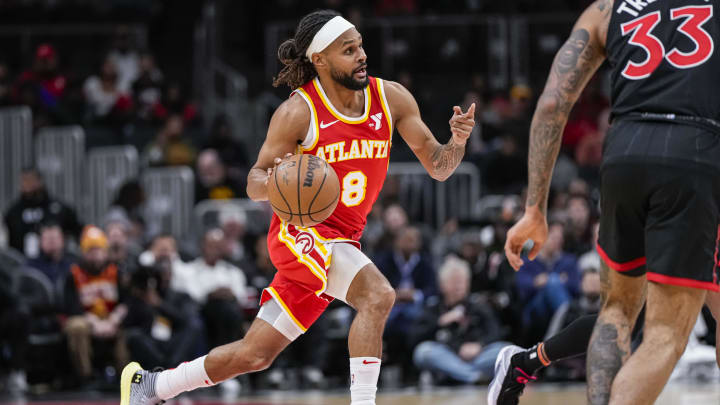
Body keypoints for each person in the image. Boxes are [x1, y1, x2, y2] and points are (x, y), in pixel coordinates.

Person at [121, 9, 475, 405]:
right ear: (319, 59)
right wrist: (283, 179)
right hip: (299, 234)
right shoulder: (298, 112)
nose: (361, 55)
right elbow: (254, 182)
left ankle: (150, 388)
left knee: (254, 354)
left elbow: (439, 168)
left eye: (360, 46)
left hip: (343, 242)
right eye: (348, 50)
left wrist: (456, 143)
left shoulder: (390, 97)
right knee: (377, 295)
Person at [497, 1, 720, 404]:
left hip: (623, 150)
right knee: (666, 333)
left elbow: (550, 103)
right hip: (695, 151)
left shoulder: (605, 8)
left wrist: (534, 209)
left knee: (616, 311)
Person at [412, 256, 508, 384]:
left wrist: (479, 346)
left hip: (478, 356)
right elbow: (414, 338)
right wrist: (440, 322)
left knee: (506, 350)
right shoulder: (433, 307)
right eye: (453, 281)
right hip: (447, 357)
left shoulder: (478, 306)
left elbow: (495, 331)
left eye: (462, 281)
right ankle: (473, 376)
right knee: (423, 352)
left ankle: (459, 374)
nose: (458, 286)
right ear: (442, 285)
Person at [63, 226, 128, 383]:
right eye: (91, 251)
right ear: (83, 252)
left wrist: (113, 320)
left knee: (128, 328)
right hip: (86, 320)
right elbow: (70, 306)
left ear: (105, 251)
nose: (95, 255)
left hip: (111, 319)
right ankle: (86, 377)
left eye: (99, 250)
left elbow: (127, 302)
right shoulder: (73, 274)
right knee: (76, 327)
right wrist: (94, 322)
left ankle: (126, 378)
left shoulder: (116, 272)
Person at [4, 168, 82, 258]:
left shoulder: (57, 208)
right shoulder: (14, 212)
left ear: (40, 181)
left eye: (31, 180)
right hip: (22, 263)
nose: (27, 185)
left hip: (56, 264)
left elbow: (78, 231)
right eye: (24, 181)